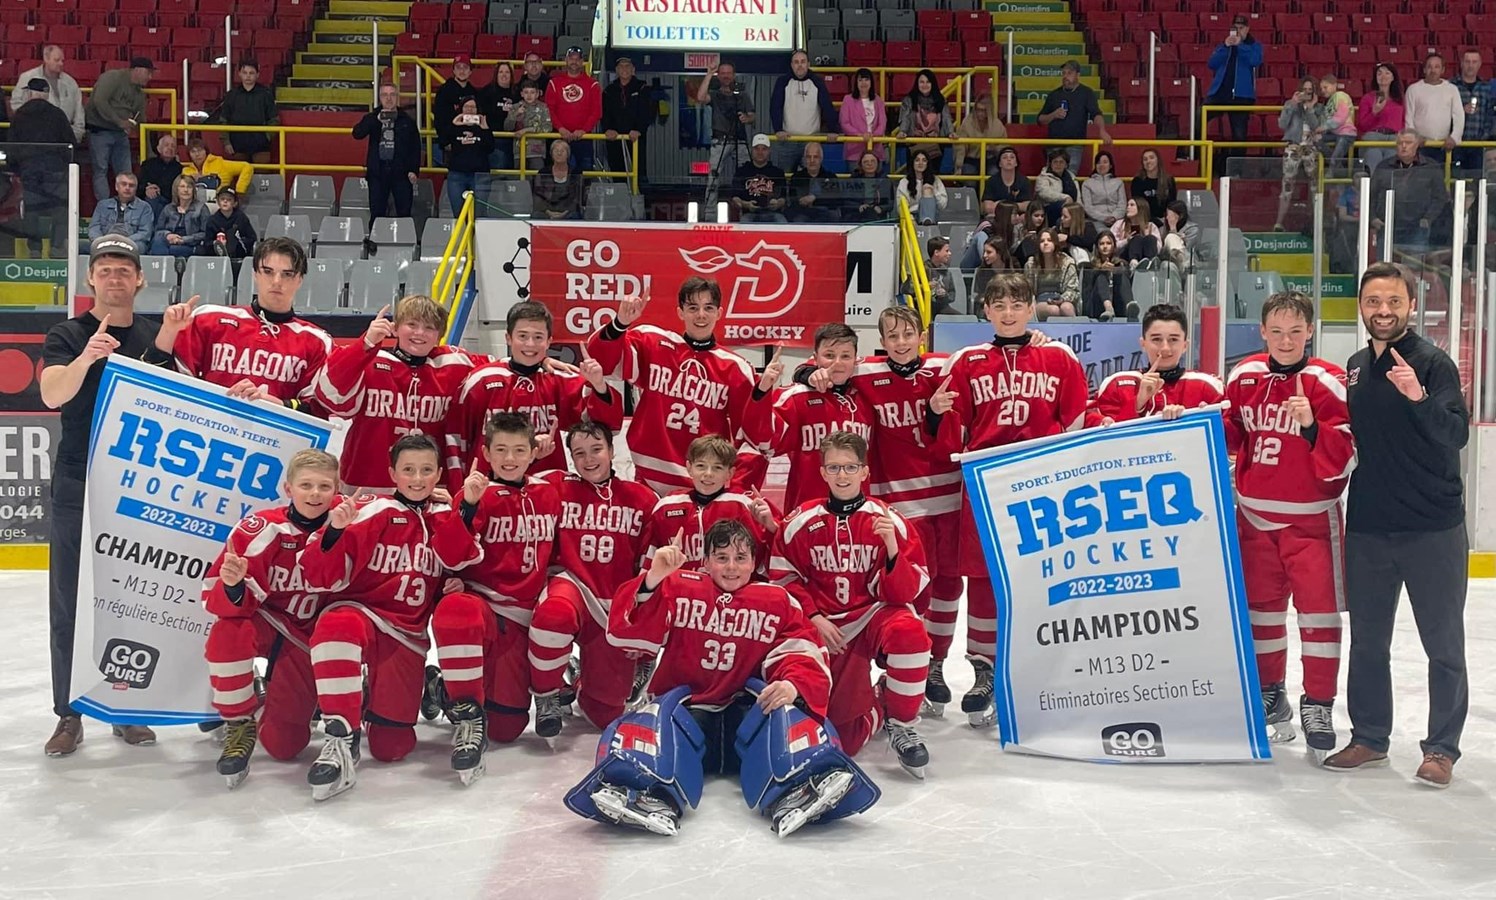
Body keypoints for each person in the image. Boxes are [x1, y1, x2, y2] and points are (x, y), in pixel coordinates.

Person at [568, 519, 877, 838]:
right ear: (705, 561)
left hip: (745, 715)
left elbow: (803, 647)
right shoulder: (680, 586)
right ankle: (648, 793)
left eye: (741, 558)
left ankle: (795, 789)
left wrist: (791, 683)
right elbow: (624, 633)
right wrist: (653, 578)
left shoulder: (777, 600)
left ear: (754, 563)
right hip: (690, 713)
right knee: (652, 727)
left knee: (789, 719)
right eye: (722, 557)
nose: (731, 567)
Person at [39, 235, 195, 756]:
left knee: (131, 597)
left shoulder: (157, 334)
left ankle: (123, 707)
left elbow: (186, 401)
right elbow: (52, 392)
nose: (113, 277)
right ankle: (69, 712)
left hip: (136, 488)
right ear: (90, 278)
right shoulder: (67, 333)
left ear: (139, 279)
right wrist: (86, 357)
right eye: (104, 268)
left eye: (123, 270)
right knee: (70, 600)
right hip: (79, 479)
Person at [1323, 262, 1471, 787]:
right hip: (1370, 526)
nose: (1383, 311)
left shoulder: (1434, 364)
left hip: (1433, 527)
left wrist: (1419, 398)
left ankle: (1441, 749)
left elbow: (1456, 434)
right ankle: (1368, 738)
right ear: (1361, 307)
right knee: (1368, 641)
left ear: (1412, 305)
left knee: (1444, 645)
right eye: (1373, 303)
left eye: (1393, 302)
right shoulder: (1357, 365)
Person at [929, 273, 1088, 726]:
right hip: (985, 482)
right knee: (983, 579)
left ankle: (1030, 668)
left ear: (1032, 306)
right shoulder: (966, 361)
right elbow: (954, 430)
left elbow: (1075, 420)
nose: (1008, 313)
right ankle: (983, 669)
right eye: (999, 306)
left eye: (1017, 305)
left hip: (1039, 484)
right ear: (986, 311)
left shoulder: (1058, 357)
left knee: (1036, 579)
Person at [296, 434, 483, 800]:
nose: (417, 479)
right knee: (335, 628)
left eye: (426, 471)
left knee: (392, 747)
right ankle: (340, 737)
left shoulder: (446, 515)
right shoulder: (369, 509)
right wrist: (334, 531)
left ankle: (428, 687)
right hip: (361, 615)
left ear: (439, 474)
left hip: (406, 634)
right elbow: (316, 574)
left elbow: (463, 561)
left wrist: (468, 512)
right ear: (392, 474)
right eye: (408, 470)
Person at [1222, 291, 1354, 757]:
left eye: (1295, 331)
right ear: (1262, 332)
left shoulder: (1328, 381)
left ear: (1310, 332)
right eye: (1276, 331)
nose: (1285, 339)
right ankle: (1268, 692)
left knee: (1318, 618)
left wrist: (1313, 427)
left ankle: (1318, 701)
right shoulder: (1245, 376)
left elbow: (1347, 456)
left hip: (1310, 523)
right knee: (1261, 617)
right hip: (1253, 518)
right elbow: (1230, 434)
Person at [771, 431, 933, 777]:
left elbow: (905, 593)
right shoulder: (800, 521)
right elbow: (782, 580)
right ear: (822, 472)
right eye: (834, 467)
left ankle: (902, 722)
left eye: (850, 467)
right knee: (844, 735)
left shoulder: (890, 521)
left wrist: (890, 546)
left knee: (910, 632)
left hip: (872, 618)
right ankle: (883, 701)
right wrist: (813, 616)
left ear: (864, 472)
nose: (842, 475)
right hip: (825, 627)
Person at [201, 449, 344, 788]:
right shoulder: (260, 528)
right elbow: (211, 594)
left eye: (324, 486)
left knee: (285, 747)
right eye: (306, 485)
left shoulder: (349, 525)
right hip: (267, 623)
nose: (314, 494)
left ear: (337, 489)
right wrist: (233, 586)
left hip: (309, 640)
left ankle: (276, 698)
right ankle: (238, 722)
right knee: (227, 631)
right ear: (287, 488)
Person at [432, 413, 561, 782]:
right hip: (484, 609)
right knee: (454, 609)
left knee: (507, 728)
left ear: (533, 453)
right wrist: (468, 506)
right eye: (501, 449)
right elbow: (449, 557)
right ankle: (466, 714)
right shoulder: (474, 494)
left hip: (523, 619)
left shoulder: (548, 493)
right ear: (485, 452)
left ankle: (440, 685)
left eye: (519, 450)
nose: (510, 458)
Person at [526, 421, 658, 737]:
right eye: (579, 453)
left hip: (615, 606)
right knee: (553, 615)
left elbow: (649, 568)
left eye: (596, 449)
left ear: (612, 451)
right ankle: (547, 694)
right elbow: (508, 481)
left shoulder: (642, 499)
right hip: (572, 586)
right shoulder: (555, 485)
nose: (589, 459)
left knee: (604, 714)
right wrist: (532, 453)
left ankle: (582, 678)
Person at [585, 279, 775, 495]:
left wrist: (736, 492)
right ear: (680, 312)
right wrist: (620, 323)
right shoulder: (654, 343)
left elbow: (755, 440)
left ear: (719, 313)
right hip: (648, 479)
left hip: (704, 484)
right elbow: (600, 361)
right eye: (693, 308)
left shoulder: (736, 368)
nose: (701, 315)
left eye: (708, 308)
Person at [312, 294, 479, 493]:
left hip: (426, 489)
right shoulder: (369, 360)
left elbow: (505, 369)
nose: (420, 333)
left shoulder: (453, 365)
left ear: (439, 335)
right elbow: (329, 393)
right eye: (412, 324)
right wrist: (366, 343)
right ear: (395, 327)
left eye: (429, 328)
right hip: (366, 485)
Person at [447, 300, 620, 479]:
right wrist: (459, 492)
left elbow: (609, 426)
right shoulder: (482, 381)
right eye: (522, 336)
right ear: (508, 338)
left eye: (538, 337)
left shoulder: (559, 379)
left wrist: (599, 385)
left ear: (549, 341)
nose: (530, 344)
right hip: (488, 488)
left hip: (547, 488)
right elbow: (457, 439)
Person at [171, 237, 331, 407]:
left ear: (299, 280)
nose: (277, 281)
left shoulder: (317, 342)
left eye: (287, 274)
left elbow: (320, 410)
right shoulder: (208, 319)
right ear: (255, 275)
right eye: (268, 272)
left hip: (275, 432)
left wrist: (277, 404)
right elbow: (172, 383)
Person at [769, 324, 875, 512]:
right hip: (807, 513)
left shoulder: (868, 397)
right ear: (815, 357)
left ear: (856, 360)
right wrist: (762, 392)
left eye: (845, 356)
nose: (838, 363)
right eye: (829, 355)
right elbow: (763, 441)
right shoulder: (797, 397)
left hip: (859, 514)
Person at [639, 435, 777, 573]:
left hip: (730, 591)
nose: (708, 473)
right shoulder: (666, 506)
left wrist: (771, 528)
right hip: (680, 590)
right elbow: (647, 568)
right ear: (689, 468)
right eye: (701, 466)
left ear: (730, 473)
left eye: (717, 467)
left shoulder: (744, 505)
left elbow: (767, 563)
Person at [1091, 303, 1223, 424]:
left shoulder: (1208, 387)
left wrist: (1206, 420)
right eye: (1156, 339)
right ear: (1143, 343)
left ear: (1185, 345)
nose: (1165, 348)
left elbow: (1231, 439)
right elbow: (1106, 442)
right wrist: (1137, 403)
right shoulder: (1117, 386)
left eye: (1173, 339)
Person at [8, 78, 74, 258]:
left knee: (32, 210)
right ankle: (57, 247)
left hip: (29, 169)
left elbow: (12, 146)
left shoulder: (20, 115)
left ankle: (35, 250)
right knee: (60, 209)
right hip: (55, 170)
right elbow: (70, 143)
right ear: (46, 94)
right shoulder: (58, 114)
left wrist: (17, 169)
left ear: (30, 93)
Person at [84, 58, 153, 203]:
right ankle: (104, 207)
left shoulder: (139, 94)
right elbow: (99, 101)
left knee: (125, 173)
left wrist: (148, 150)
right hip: (99, 131)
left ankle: (125, 208)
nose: (150, 77)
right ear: (138, 70)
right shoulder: (113, 77)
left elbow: (142, 121)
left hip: (120, 134)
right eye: (149, 73)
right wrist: (119, 121)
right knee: (100, 170)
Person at [1369, 129, 1450, 250]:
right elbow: (1371, 195)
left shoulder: (1430, 167)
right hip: (1387, 226)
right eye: (1400, 143)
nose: (1404, 146)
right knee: (1386, 267)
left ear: (1417, 144)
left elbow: (1440, 196)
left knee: (1414, 265)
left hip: (1417, 227)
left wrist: (1428, 219)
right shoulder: (1384, 166)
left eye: (1408, 142)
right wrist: (1373, 218)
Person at [353, 84, 420, 219]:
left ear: (397, 97)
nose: (388, 98)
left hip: (401, 173)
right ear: (379, 98)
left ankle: (404, 240)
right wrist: (375, 120)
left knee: (404, 213)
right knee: (377, 213)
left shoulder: (407, 120)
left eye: (392, 94)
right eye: (384, 95)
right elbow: (357, 133)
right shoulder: (372, 117)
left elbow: (415, 147)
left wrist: (414, 170)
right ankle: (374, 239)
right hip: (377, 172)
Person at [695, 61, 756, 211]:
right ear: (719, 75)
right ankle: (710, 213)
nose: (726, 76)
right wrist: (709, 74)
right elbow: (700, 97)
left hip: (740, 140)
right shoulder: (715, 94)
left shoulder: (742, 95)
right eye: (723, 73)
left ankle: (748, 210)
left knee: (746, 177)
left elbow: (753, 116)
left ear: (734, 75)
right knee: (713, 179)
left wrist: (747, 119)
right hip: (720, 140)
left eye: (729, 73)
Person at [769, 49, 838, 173]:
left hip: (811, 140)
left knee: (811, 178)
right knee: (785, 178)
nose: (799, 65)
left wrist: (833, 130)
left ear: (808, 64)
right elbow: (775, 107)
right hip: (787, 140)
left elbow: (827, 107)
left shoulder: (817, 82)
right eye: (796, 62)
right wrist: (778, 129)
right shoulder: (782, 82)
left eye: (803, 62)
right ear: (791, 65)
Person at [1037, 60, 1112, 172]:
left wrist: (1102, 130)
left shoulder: (1086, 93)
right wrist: (1053, 115)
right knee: (1052, 177)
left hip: (1075, 144)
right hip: (1054, 144)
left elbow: (1096, 114)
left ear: (1078, 75)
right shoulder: (1054, 95)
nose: (1065, 76)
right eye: (1064, 73)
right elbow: (1040, 119)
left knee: (1070, 175)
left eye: (1069, 73)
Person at [1205, 14, 1263, 144]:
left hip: (1241, 96)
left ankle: (1236, 164)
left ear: (1247, 29)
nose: (1238, 31)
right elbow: (1211, 64)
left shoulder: (1254, 45)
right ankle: (1196, 156)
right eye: (1235, 28)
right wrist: (1226, 46)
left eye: (1241, 28)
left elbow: (1255, 60)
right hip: (1220, 92)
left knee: (1239, 136)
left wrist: (1240, 46)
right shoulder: (1224, 45)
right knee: (1198, 118)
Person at [10, 45, 85, 142]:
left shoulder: (71, 83)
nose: (61, 63)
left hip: (64, 139)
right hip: (32, 138)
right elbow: (16, 104)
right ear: (46, 58)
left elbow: (79, 112)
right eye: (57, 60)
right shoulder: (27, 78)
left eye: (62, 60)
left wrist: (75, 135)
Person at [547, 45, 604, 173]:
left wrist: (584, 130)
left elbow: (596, 112)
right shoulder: (554, 83)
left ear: (582, 62)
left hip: (584, 139)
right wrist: (560, 128)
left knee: (585, 177)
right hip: (559, 137)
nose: (574, 62)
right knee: (559, 175)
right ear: (566, 60)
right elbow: (549, 109)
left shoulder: (593, 84)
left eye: (577, 59)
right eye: (571, 58)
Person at [1404, 53, 1463, 165]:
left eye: (1437, 67)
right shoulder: (1413, 89)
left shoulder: (1452, 89)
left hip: (1443, 146)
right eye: (1430, 67)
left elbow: (1459, 116)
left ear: (1443, 70)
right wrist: (1414, 138)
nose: (1433, 70)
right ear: (1425, 69)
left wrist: (1454, 138)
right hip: (1420, 145)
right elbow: (1409, 117)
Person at [213, 60, 277, 164]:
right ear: (239, 74)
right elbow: (223, 120)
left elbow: (274, 120)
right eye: (245, 73)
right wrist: (226, 142)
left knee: (262, 175)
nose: (248, 76)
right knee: (239, 177)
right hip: (237, 144)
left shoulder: (266, 94)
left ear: (257, 75)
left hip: (261, 145)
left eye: (251, 73)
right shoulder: (231, 95)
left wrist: (266, 138)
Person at [601, 56, 651, 182]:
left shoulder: (642, 88)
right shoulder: (609, 90)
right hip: (614, 139)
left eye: (627, 66)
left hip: (635, 139)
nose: (624, 69)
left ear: (633, 69)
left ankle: (640, 200)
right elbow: (605, 113)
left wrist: (638, 130)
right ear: (616, 70)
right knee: (617, 173)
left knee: (638, 173)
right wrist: (607, 129)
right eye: (621, 66)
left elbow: (647, 112)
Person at [442, 97, 494, 217]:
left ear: (477, 110)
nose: (469, 110)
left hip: (479, 175)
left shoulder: (482, 127)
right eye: (466, 107)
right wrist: (454, 124)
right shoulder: (455, 127)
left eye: (472, 107)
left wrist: (485, 128)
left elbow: (490, 148)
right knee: (459, 214)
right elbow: (443, 142)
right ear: (461, 109)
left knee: (479, 214)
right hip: (457, 175)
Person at [897, 69, 952, 168]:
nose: (924, 85)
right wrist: (903, 131)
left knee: (932, 174)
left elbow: (946, 118)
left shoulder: (940, 99)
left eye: (928, 82)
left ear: (933, 83)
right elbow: (906, 118)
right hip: (914, 142)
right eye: (921, 82)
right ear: (917, 84)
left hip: (935, 144)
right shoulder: (909, 100)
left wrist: (950, 132)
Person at [86, 172, 153, 252]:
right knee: (79, 246)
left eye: (131, 186)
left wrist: (123, 242)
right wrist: (102, 242)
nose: (127, 188)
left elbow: (145, 233)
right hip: (104, 242)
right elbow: (94, 228)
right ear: (116, 187)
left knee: (140, 246)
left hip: (130, 243)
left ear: (136, 189)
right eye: (124, 184)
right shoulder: (102, 205)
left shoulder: (145, 207)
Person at [1451, 49, 1492, 177]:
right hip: (1455, 144)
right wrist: (1460, 111)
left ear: (1479, 64)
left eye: (1474, 62)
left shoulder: (1486, 88)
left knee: (1477, 181)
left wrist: (1484, 137)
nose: (1470, 65)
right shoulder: (1451, 86)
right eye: (1467, 61)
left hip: (1478, 145)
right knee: (1454, 180)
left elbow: (1489, 115)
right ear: (1462, 63)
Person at [1358, 63, 1405, 175]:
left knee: (1391, 163)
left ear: (1393, 77)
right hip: (1373, 136)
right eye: (1379, 73)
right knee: (1374, 155)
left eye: (1387, 73)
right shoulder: (1368, 98)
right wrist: (1374, 112)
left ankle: (1387, 190)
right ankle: (1373, 189)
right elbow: (1362, 125)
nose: (1383, 76)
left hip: (1393, 138)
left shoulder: (1399, 99)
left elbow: (1403, 122)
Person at [731, 133, 789, 223]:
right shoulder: (742, 171)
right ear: (752, 150)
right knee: (745, 222)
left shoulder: (778, 172)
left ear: (769, 151)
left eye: (764, 149)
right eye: (757, 149)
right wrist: (746, 204)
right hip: (749, 214)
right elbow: (735, 198)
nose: (760, 152)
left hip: (773, 214)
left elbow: (784, 198)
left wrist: (777, 204)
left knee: (782, 221)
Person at [1025, 227, 1080, 319]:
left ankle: (1077, 332)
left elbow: (1073, 290)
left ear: (1055, 243)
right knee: (1053, 310)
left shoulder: (1067, 262)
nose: (1045, 243)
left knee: (1067, 308)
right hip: (1040, 301)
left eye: (1049, 240)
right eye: (1042, 241)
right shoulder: (1031, 264)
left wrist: (1062, 299)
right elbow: (1027, 290)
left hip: (1062, 298)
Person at [149, 175, 208, 257]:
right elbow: (158, 231)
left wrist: (184, 240)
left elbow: (205, 233)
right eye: (182, 186)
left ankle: (162, 267)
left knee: (167, 250)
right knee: (157, 241)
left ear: (193, 190)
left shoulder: (202, 208)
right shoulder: (168, 208)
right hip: (170, 242)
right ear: (176, 190)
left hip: (190, 244)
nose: (186, 190)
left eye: (189, 187)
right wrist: (168, 235)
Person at [837, 68, 886, 168]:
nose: (863, 83)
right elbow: (844, 123)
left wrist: (872, 137)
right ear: (856, 83)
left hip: (875, 149)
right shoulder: (848, 100)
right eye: (860, 80)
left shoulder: (878, 100)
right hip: (854, 151)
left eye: (866, 79)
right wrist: (860, 135)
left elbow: (882, 123)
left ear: (871, 82)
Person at [952, 93, 1008, 176]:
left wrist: (993, 148)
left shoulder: (998, 125)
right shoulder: (967, 123)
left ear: (989, 111)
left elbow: (1004, 147)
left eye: (983, 110)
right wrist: (958, 166)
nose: (980, 113)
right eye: (978, 110)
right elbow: (960, 146)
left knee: (994, 175)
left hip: (991, 160)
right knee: (969, 176)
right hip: (971, 160)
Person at [433, 54, 480, 152]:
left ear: (470, 71)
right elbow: (439, 119)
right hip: (452, 142)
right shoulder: (444, 91)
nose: (462, 71)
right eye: (458, 67)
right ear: (453, 70)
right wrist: (445, 141)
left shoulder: (474, 92)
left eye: (465, 67)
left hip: (471, 142)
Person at [1081, 230, 1133, 320]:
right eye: (1102, 244)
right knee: (1101, 276)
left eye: (1108, 243)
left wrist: (1115, 271)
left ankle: (1130, 306)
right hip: (1096, 307)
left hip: (1118, 305)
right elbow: (1087, 289)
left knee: (1120, 274)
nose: (1105, 246)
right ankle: (1108, 308)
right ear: (1097, 246)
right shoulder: (1089, 265)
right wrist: (1101, 270)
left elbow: (1127, 277)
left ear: (1114, 246)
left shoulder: (1121, 264)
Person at [786, 141, 841, 223]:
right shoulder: (797, 177)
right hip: (803, 214)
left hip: (825, 214)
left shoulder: (830, 177)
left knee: (833, 216)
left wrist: (815, 198)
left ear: (821, 159)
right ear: (804, 159)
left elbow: (835, 201)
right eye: (808, 157)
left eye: (815, 157)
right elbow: (792, 201)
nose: (812, 160)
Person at [481, 61, 520, 173]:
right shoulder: (486, 92)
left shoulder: (517, 92)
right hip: (494, 138)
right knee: (498, 170)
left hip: (513, 139)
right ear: (496, 75)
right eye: (501, 72)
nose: (504, 75)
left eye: (507, 72)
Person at [506, 80, 553, 174]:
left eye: (532, 92)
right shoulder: (515, 107)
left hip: (537, 151)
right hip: (518, 151)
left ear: (537, 94)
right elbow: (507, 127)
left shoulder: (544, 108)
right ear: (522, 94)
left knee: (537, 180)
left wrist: (527, 130)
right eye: (526, 92)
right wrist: (515, 115)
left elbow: (548, 128)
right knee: (519, 181)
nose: (529, 95)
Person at [200, 187, 257, 261]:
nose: (225, 201)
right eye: (222, 199)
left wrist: (237, 241)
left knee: (232, 234)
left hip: (239, 254)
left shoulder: (241, 218)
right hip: (216, 257)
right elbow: (207, 242)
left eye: (229, 199)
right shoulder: (212, 220)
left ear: (235, 203)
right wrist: (216, 243)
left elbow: (252, 238)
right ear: (217, 201)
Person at [532, 139, 584, 220]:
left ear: (568, 154)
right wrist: (549, 213)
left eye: (562, 151)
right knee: (537, 215)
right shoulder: (543, 172)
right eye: (556, 151)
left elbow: (577, 197)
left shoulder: (576, 172)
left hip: (568, 211)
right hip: (547, 210)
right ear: (551, 154)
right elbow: (538, 195)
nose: (559, 153)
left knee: (575, 216)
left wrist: (563, 214)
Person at [182, 139, 254, 196]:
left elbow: (247, 166)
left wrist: (239, 191)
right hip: (195, 206)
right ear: (189, 155)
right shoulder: (186, 171)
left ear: (206, 152)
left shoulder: (220, 163)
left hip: (219, 203)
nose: (197, 154)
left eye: (200, 150)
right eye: (193, 151)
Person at [1318, 73, 1357, 176]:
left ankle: (1333, 167)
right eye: (1321, 88)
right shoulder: (1329, 102)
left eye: (1325, 87)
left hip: (1346, 132)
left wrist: (1324, 127)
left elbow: (1341, 116)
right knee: (1316, 139)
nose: (1323, 90)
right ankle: (1336, 164)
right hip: (1334, 132)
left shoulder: (1340, 96)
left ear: (1334, 85)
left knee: (1337, 153)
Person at [896, 149, 947, 225]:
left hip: (933, 216)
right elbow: (901, 206)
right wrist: (911, 220)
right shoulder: (904, 182)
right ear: (912, 163)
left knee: (927, 190)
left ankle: (926, 221)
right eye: (917, 160)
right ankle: (924, 222)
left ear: (927, 163)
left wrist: (934, 192)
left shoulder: (936, 181)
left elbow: (942, 205)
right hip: (911, 217)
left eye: (924, 160)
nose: (920, 163)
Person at [139, 133, 183, 216]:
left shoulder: (179, 168)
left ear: (176, 151)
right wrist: (147, 189)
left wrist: (159, 190)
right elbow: (140, 184)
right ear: (159, 148)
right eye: (166, 145)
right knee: (152, 199)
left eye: (173, 146)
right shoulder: (148, 164)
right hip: (149, 199)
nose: (170, 148)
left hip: (169, 201)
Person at [980, 145, 1032, 217]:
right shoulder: (992, 181)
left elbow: (1028, 206)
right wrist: (1017, 206)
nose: (1009, 160)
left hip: (1018, 217)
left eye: (1012, 157)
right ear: (1000, 163)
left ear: (1016, 163)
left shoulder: (1024, 181)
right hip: (996, 216)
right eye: (1005, 157)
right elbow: (987, 207)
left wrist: (1001, 205)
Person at [1080, 150, 1125, 230]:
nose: (1101, 165)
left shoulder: (1119, 182)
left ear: (1110, 165)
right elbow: (1088, 207)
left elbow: (1122, 205)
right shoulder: (1087, 183)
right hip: (1097, 221)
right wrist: (1104, 218)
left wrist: (1114, 217)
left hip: (1117, 220)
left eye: (1105, 162)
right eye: (1098, 162)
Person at [1130, 148, 1177, 223]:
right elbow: (1138, 207)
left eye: (1151, 158)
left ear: (1158, 160)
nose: (1148, 161)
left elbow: (1172, 204)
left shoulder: (1169, 180)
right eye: (1145, 159)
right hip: (1144, 221)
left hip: (1165, 220)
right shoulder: (1137, 182)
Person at [1035, 148, 1078, 224]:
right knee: (1060, 205)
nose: (1058, 165)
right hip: (1048, 209)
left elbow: (1078, 197)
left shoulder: (1072, 177)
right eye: (1055, 162)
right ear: (1050, 164)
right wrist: (1065, 197)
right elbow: (1044, 193)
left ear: (1066, 165)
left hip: (1070, 209)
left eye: (1061, 162)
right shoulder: (1043, 177)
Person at [1113, 198, 1161, 265]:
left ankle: (1150, 263)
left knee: (1151, 238)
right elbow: (1112, 246)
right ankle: (1134, 262)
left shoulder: (1151, 226)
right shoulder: (1119, 224)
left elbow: (1159, 248)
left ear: (1141, 208)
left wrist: (1146, 237)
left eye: (1132, 205)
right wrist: (1127, 240)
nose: (1128, 207)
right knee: (1136, 238)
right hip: (1125, 257)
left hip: (1146, 254)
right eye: (1127, 205)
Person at [845, 150, 891, 222]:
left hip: (878, 215)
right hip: (857, 215)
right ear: (861, 165)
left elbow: (890, 203)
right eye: (866, 162)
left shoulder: (885, 180)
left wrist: (881, 208)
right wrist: (858, 207)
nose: (869, 164)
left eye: (873, 161)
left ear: (878, 163)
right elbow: (847, 200)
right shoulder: (853, 179)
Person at [926, 236, 957, 316]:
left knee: (963, 321)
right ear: (936, 252)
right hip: (926, 309)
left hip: (942, 309)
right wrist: (925, 287)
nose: (949, 253)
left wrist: (944, 295)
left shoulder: (947, 272)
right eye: (947, 251)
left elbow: (952, 294)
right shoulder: (921, 269)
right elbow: (907, 288)